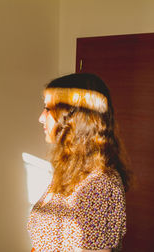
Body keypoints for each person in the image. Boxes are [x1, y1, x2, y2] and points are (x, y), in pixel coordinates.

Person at [27, 73, 131, 251]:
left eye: (48, 109)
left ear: (74, 117)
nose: (41, 118)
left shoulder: (98, 184)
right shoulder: (73, 171)